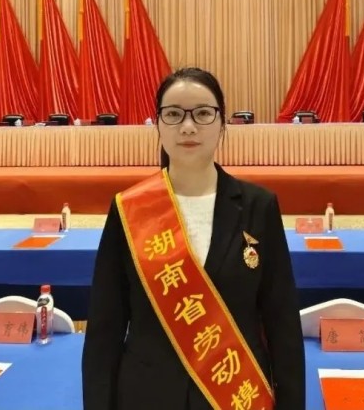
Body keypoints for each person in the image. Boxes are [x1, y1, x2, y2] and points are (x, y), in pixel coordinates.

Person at [82, 67, 305, 410]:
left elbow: (282, 323)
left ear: (222, 124)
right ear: (158, 125)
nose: (188, 126)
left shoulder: (259, 207)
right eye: (173, 114)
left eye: (202, 113)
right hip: (146, 397)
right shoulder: (129, 209)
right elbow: (105, 330)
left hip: (235, 394)